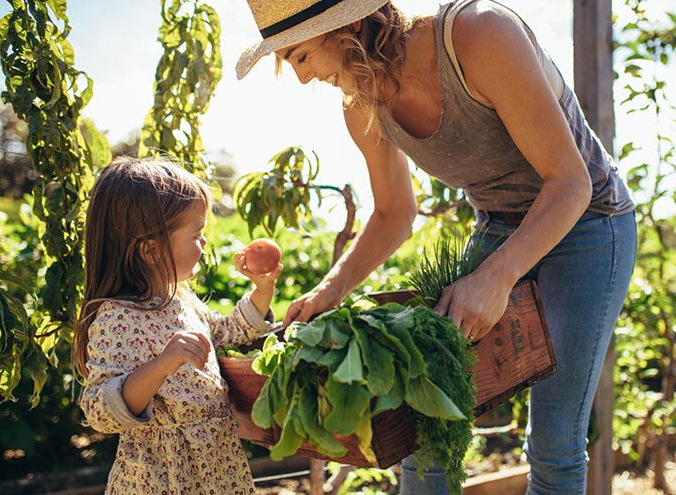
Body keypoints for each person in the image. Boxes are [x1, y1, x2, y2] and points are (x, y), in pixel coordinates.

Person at [236, 0, 637, 493]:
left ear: (350, 26)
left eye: (300, 57)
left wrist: (496, 275)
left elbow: (570, 182)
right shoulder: (362, 105)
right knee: (425, 419)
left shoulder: (479, 35)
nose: (303, 80)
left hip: (590, 224)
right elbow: (393, 213)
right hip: (498, 226)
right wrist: (330, 289)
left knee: (554, 441)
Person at [73, 157, 283, 495]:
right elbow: (100, 410)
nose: (203, 245)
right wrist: (162, 365)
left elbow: (232, 331)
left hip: (216, 464)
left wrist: (263, 289)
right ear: (151, 249)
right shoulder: (117, 318)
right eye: (196, 235)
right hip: (163, 474)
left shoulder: (183, 303)